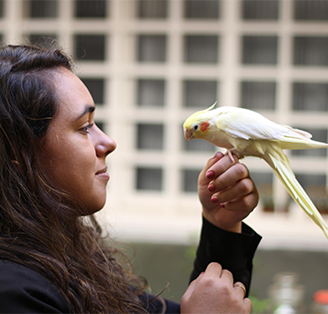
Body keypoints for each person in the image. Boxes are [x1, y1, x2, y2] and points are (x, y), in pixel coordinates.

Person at [0, 44, 261, 314]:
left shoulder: (67, 258)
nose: (108, 142)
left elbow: (206, 305)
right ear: (21, 152)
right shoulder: (13, 294)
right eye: (84, 127)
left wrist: (221, 223)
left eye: (95, 123)